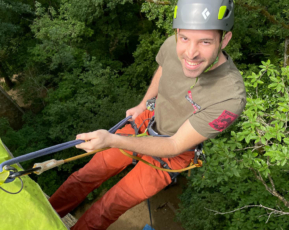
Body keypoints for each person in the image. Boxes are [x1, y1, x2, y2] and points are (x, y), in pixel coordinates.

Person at [49, 0, 246, 229]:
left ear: (225, 39)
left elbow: (173, 145)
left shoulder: (230, 97)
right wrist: (143, 104)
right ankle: (39, 218)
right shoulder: (173, 46)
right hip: (147, 120)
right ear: (177, 33)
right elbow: (164, 69)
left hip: (174, 153)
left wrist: (112, 139)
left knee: (109, 206)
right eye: (184, 38)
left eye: (205, 41)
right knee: (86, 175)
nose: (191, 53)